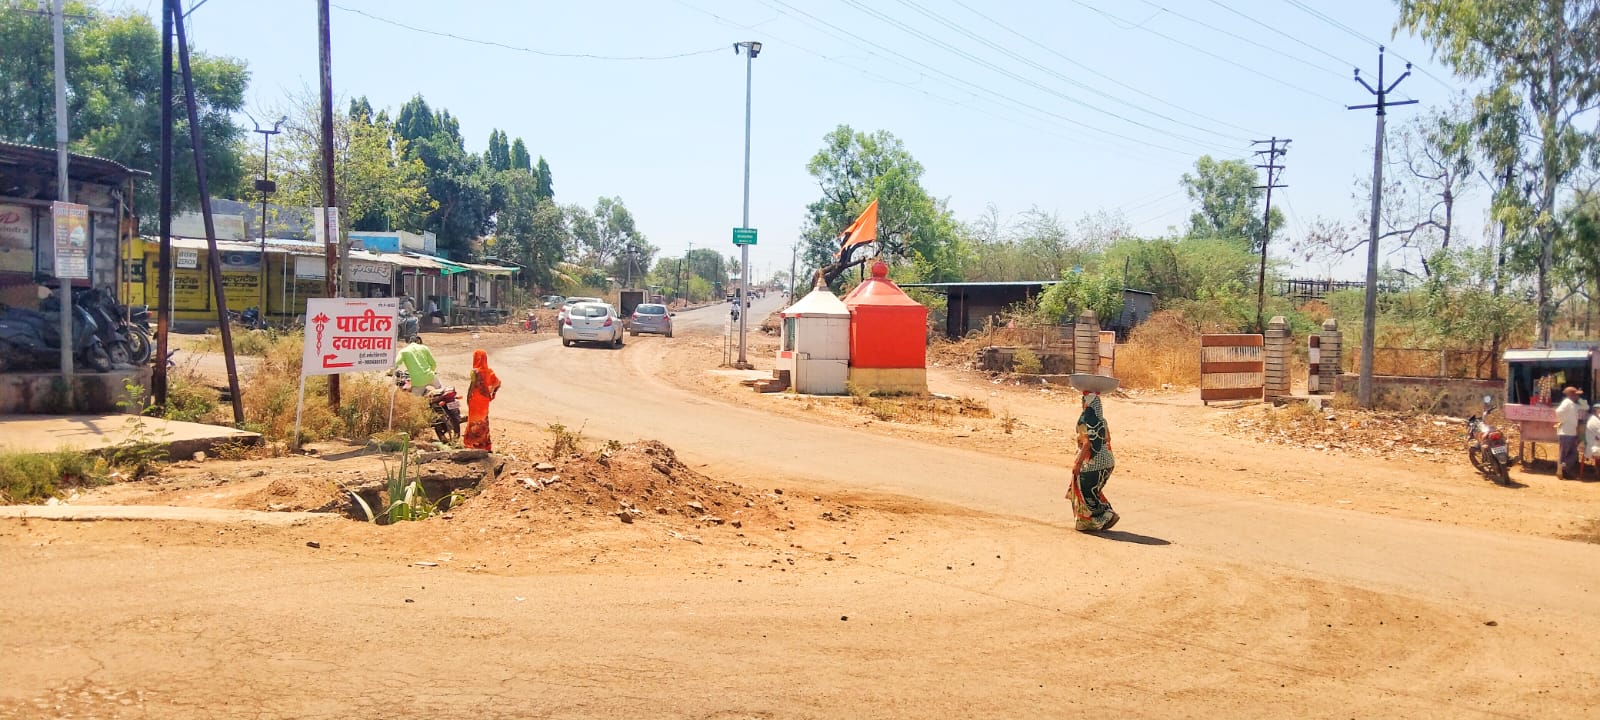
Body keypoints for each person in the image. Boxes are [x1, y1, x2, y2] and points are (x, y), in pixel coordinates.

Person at [1068, 389, 1119, 532]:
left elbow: (1087, 444)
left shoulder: (1085, 421)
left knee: (1085, 492)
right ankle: (1097, 518)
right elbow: (1108, 439)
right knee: (1093, 491)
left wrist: (1078, 464)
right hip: (1108, 461)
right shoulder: (1102, 421)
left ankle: (1104, 516)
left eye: (1084, 401)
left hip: (1092, 463)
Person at [463, 349, 501, 451]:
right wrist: (492, 393)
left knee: (474, 421)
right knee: (483, 421)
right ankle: (484, 444)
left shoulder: (475, 372)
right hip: (484, 401)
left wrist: (468, 398)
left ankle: (472, 443)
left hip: (475, 400)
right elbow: (498, 383)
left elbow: (472, 386)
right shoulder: (490, 372)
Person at [1555, 386, 1589, 479]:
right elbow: (1558, 412)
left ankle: (1563, 470)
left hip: (1571, 432)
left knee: (1572, 454)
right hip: (1566, 432)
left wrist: (1579, 398)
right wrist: (1563, 420)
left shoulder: (1573, 403)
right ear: (1570, 394)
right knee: (1567, 454)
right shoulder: (1567, 403)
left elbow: (1585, 407)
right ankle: (1562, 470)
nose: (1576, 396)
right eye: (1575, 394)